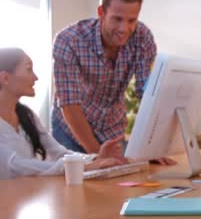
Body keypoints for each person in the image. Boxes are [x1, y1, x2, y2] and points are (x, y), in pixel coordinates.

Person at [51, 0, 174, 165]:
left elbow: (147, 94)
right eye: (117, 19)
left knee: (119, 187)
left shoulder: (142, 37)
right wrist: (98, 156)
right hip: (71, 131)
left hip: (112, 130)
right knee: (77, 189)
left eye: (131, 20)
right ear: (101, 12)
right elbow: (69, 104)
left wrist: (150, 147)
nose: (124, 29)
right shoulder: (69, 40)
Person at [0, 48, 125, 179]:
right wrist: (78, 167)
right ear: (5, 78)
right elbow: (14, 165)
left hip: (28, 195)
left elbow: (59, 153)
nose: (35, 77)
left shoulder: (27, 115)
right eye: (28, 69)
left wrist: (96, 158)